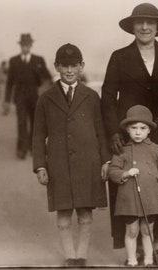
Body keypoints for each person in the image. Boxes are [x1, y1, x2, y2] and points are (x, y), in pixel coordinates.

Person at [101, 3, 158, 264]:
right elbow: (107, 97)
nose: (145, 27)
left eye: (150, 23)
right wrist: (114, 132)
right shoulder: (119, 56)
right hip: (129, 131)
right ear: (132, 26)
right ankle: (135, 245)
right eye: (139, 22)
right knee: (128, 186)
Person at [32, 43, 110, 266]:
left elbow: (101, 131)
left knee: (85, 212)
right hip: (58, 165)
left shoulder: (92, 96)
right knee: (64, 212)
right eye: (64, 65)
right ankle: (70, 257)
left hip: (88, 163)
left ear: (81, 66)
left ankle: (81, 256)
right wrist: (41, 166)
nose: (69, 70)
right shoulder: (45, 99)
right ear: (56, 66)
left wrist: (105, 160)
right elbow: (38, 135)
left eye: (74, 65)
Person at [109, 105, 158, 266]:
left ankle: (149, 260)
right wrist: (126, 173)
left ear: (149, 130)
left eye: (142, 128)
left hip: (150, 197)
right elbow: (112, 171)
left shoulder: (156, 150)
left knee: (147, 230)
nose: (138, 132)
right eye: (134, 128)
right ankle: (131, 261)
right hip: (129, 198)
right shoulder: (122, 150)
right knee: (132, 230)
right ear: (127, 130)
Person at [4, 33, 52, 159]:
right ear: (20, 46)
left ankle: (32, 146)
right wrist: (7, 101)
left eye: (27, 45)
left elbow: (47, 77)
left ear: (31, 45)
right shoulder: (14, 61)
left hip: (35, 96)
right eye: (23, 45)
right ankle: (21, 149)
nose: (25, 47)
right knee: (21, 122)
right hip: (19, 96)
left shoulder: (38, 60)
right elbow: (9, 82)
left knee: (35, 122)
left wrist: (48, 91)